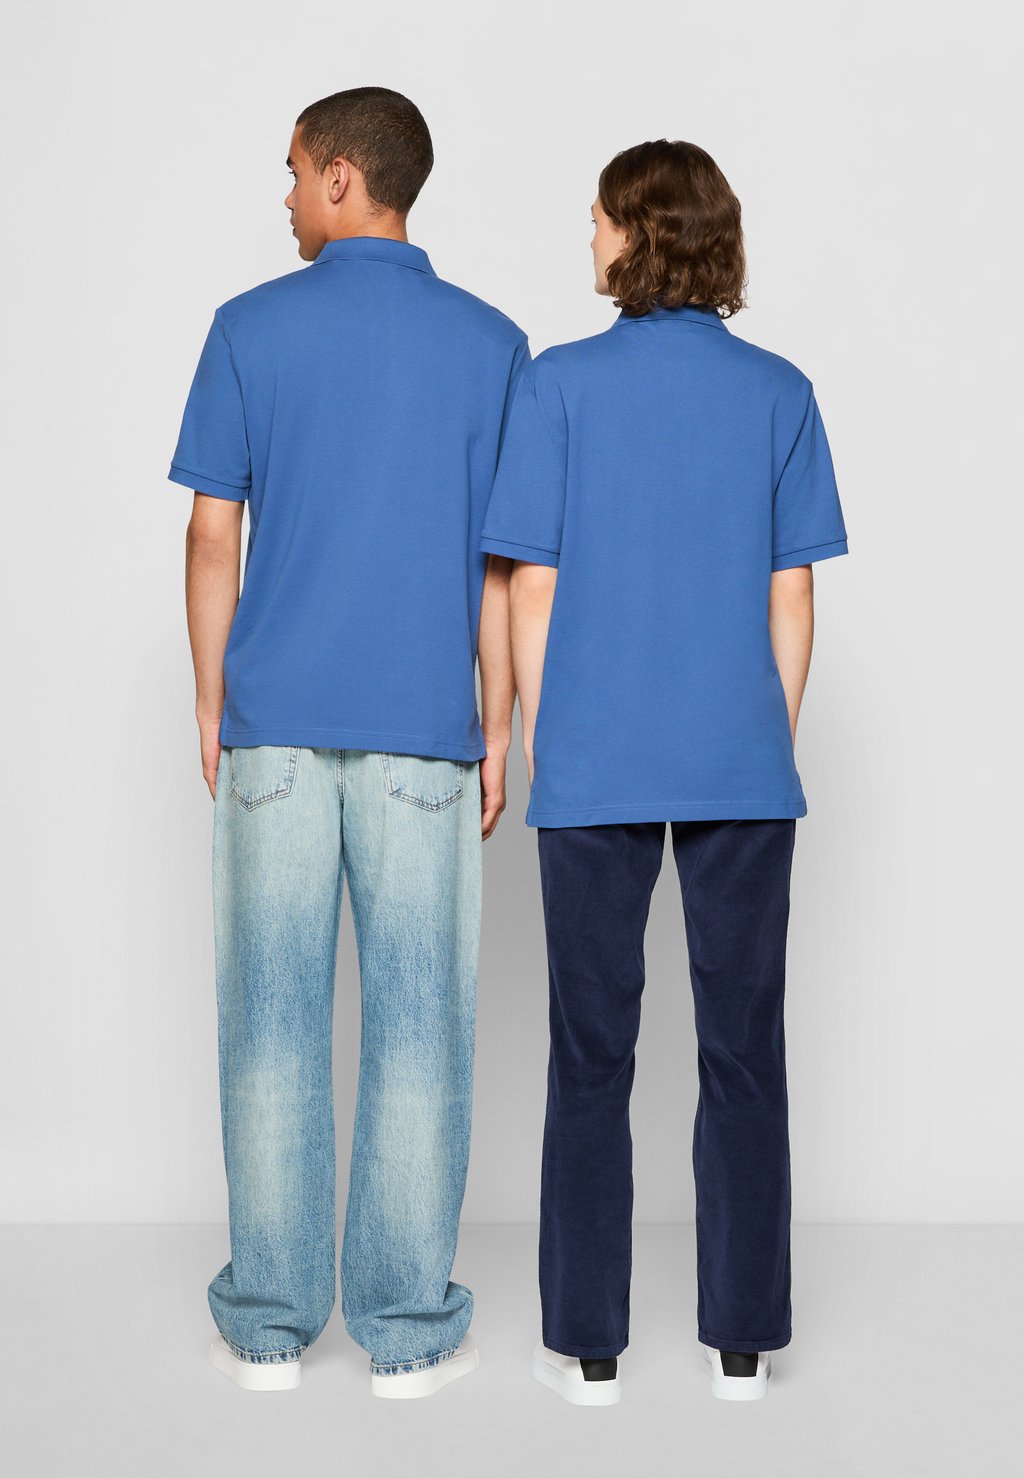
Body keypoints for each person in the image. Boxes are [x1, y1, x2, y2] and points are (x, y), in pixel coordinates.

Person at [167, 87, 526, 1398]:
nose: (283, 196)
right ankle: (406, 1330)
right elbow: (503, 564)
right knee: (421, 1033)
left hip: (272, 730)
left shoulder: (248, 327)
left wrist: (211, 697)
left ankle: (268, 1326)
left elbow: (212, 532)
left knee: (268, 1028)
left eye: (291, 170)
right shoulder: (493, 344)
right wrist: (500, 722)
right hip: (425, 737)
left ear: (339, 178)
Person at [480, 138, 848, 1406]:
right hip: (742, 764)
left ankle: (589, 1347)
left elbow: (530, 583)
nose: (586, 237)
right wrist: (762, 730)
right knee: (744, 1051)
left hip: (595, 763)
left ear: (638, 232)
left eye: (596, 218)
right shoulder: (780, 391)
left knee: (591, 1053)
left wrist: (541, 733)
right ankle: (741, 1345)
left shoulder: (558, 384)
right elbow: (790, 595)